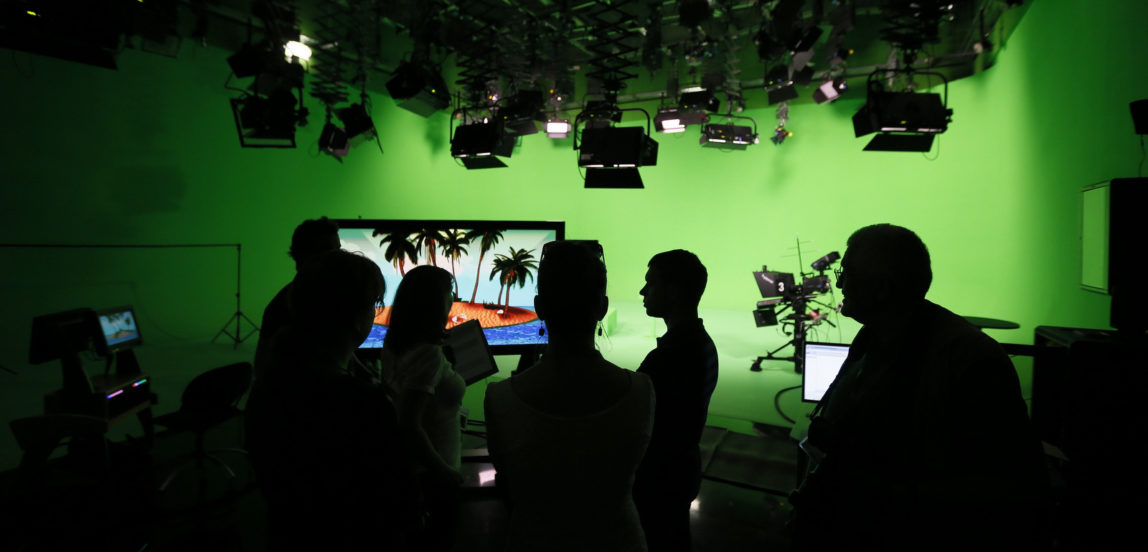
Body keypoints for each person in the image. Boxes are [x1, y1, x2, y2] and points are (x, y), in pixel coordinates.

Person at [789, 224, 1050, 551]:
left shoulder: (970, 360)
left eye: (848, 273)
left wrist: (870, 485)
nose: (839, 283)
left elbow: (1004, 487)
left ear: (882, 288)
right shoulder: (874, 335)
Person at [485, 241, 655, 552]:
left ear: (539, 306)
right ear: (602, 307)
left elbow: (507, 477)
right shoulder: (643, 390)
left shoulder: (499, 398)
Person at [244, 249, 407, 551]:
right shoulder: (361, 404)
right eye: (373, 304)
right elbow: (389, 502)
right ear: (356, 318)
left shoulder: (269, 385)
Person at [632, 250, 719, 552]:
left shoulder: (667, 359)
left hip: (659, 482)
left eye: (650, 283)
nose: (643, 291)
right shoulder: (703, 345)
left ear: (673, 291)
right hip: (681, 474)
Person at [379, 265, 465, 552]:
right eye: (448, 293)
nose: (452, 299)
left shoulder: (395, 343)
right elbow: (410, 423)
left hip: (413, 473)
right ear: (433, 303)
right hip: (433, 476)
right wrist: (445, 472)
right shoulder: (428, 354)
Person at [253, 217, 341, 382]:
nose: (338, 256)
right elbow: (263, 369)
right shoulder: (284, 305)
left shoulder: (293, 298)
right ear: (304, 254)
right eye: (328, 249)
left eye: (338, 249)